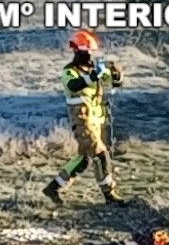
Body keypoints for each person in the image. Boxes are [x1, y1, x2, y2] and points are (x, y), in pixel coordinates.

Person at [44, 30, 122, 205]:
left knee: (84, 159)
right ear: (77, 52)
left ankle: (53, 188)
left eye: (91, 53)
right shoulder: (69, 72)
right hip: (82, 122)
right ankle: (109, 194)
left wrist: (116, 75)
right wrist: (94, 76)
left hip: (95, 122)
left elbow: (113, 81)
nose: (90, 56)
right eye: (87, 53)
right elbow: (74, 85)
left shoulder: (94, 70)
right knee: (101, 155)